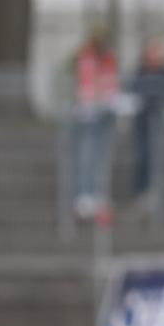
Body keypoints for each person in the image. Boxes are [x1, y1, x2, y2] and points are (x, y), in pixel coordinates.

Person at [72, 28, 118, 219]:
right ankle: (84, 193)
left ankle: (98, 192)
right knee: (87, 153)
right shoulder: (87, 58)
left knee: (102, 154)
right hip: (88, 112)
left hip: (105, 110)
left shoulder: (109, 59)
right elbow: (86, 82)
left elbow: (112, 82)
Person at [130, 40, 164, 203]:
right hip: (142, 122)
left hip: (158, 121)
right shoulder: (140, 72)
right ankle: (142, 189)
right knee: (143, 156)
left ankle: (156, 189)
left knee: (158, 156)